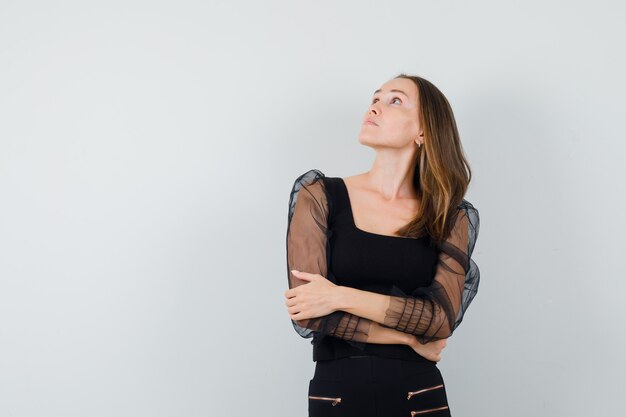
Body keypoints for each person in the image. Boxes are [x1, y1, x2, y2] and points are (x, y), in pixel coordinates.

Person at [284, 74, 480, 417]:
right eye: (375, 98)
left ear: (423, 131)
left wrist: (341, 295)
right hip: (337, 396)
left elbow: (440, 319)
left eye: (395, 100)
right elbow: (310, 313)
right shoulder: (319, 196)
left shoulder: (449, 215)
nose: (375, 105)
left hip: (419, 396)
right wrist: (406, 338)